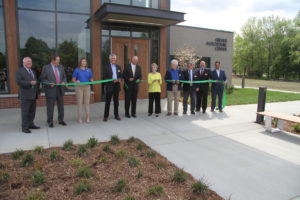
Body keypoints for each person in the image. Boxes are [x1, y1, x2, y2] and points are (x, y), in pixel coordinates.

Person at [40, 55, 67, 128]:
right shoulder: (46, 67)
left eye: (59, 60)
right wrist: (49, 83)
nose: (59, 61)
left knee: (61, 106)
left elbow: (64, 77)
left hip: (60, 89)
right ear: (53, 60)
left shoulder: (61, 67)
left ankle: (61, 120)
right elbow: (42, 79)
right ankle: (50, 121)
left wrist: (64, 82)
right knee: (50, 106)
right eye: (57, 60)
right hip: (50, 90)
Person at [15, 57, 40, 133]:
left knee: (32, 112)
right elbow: (18, 81)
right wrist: (29, 83)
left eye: (31, 61)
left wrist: (38, 92)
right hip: (25, 95)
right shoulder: (19, 71)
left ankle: (31, 124)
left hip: (33, 95)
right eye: (28, 61)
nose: (30, 63)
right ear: (24, 63)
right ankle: (25, 128)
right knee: (25, 112)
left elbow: (35, 82)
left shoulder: (32, 71)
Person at [72, 58, 93, 123]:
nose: (84, 62)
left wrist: (92, 81)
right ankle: (79, 117)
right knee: (79, 102)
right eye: (82, 61)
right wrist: (76, 81)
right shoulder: (77, 70)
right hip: (79, 87)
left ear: (86, 63)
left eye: (85, 61)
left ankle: (88, 117)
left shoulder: (89, 70)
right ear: (80, 62)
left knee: (87, 103)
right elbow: (73, 80)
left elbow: (91, 78)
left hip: (87, 87)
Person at [102, 53, 122, 122]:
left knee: (116, 102)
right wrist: (111, 80)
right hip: (109, 86)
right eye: (112, 58)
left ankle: (116, 115)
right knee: (108, 102)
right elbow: (104, 77)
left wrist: (119, 79)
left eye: (114, 58)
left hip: (116, 86)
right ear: (110, 59)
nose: (113, 59)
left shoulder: (118, 67)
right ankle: (105, 116)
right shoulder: (106, 67)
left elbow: (120, 76)